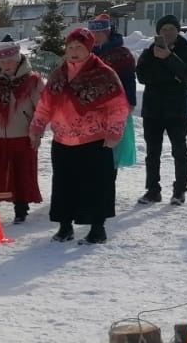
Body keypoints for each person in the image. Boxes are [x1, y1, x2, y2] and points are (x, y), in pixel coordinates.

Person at [31, 28, 129, 243]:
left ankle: (97, 228)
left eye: (79, 48)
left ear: (89, 49)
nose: (74, 52)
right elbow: (45, 104)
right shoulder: (59, 74)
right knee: (64, 185)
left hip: (94, 141)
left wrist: (114, 132)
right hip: (63, 140)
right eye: (70, 47)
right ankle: (65, 226)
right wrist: (37, 127)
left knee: (96, 185)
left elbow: (118, 107)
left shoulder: (104, 74)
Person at [135, 14, 187, 205]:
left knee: (179, 151)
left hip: (177, 110)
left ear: (178, 30)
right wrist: (172, 76)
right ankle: (152, 190)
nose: (168, 32)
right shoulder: (149, 52)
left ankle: (179, 190)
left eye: (171, 28)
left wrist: (169, 58)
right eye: (164, 29)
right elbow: (142, 77)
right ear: (158, 33)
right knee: (152, 153)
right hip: (152, 110)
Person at [0, 41, 44, 223]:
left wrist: (37, 133)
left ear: (18, 60)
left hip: (23, 137)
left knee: (21, 173)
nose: (6, 65)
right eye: (2, 61)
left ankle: (20, 209)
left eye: (10, 61)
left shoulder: (32, 81)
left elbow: (42, 110)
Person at [94, 21, 138, 173]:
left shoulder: (122, 53)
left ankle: (109, 180)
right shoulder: (89, 52)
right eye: (93, 34)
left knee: (113, 145)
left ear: (107, 33)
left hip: (115, 106)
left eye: (98, 33)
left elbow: (129, 79)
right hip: (93, 107)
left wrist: (130, 102)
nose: (95, 37)